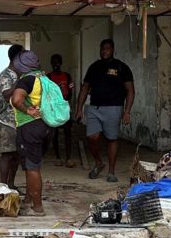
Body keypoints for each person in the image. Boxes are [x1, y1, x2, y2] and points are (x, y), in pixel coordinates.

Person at [75, 39, 135, 182]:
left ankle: (111, 172)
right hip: (94, 108)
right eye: (102, 48)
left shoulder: (121, 67)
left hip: (114, 108)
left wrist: (127, 111)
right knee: (92, 137)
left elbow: (130, 90)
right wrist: (79, 109)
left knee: (111, 139)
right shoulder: (94, 67)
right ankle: (98, 163)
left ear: (113, 50)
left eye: (107, 48)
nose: (104, 51)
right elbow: (85, 88)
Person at [10, 50, 50, 216]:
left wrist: (27, 110)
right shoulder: (44, 79)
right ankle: (28, 198)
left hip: (29, 126)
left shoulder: (26, 80)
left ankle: (38, 207)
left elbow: (16, 100)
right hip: (45, 125)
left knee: (32, 168)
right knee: (30, 165)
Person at [0, 44, 25, 188]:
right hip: (5, 121)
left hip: (19, 120)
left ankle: (11, 185)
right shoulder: (5, 75)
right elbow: (7, 96)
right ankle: (3, 187)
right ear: (16, 58)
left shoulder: (22, 74)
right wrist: (20, 81)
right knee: (6, 154)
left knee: (16, 155)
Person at [47, 54, 75, 167]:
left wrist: (63, 102)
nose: (55, 64)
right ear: (51, 63)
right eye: (53, 62)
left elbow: (70, 93)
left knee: (68, 133)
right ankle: (58, 158)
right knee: (54, 133)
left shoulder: (67, 76)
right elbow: (46, 93)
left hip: (64, 108)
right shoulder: (48, 77)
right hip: (53, 110)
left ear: (61, 63)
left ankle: (68, 158)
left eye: (58, 62)